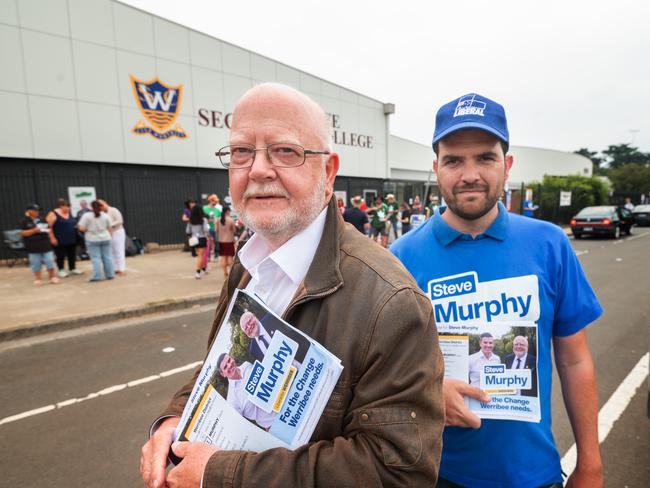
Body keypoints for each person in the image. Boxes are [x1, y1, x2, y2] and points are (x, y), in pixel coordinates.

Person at [140, 83, 444, 488]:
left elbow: (397, 472)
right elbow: (220, 370)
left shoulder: (391, 301)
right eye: (242, 151)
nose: (259, 169)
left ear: (328, 171)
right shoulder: (246, 267)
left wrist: (221, 475)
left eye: (286, 151)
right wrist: (174, 419)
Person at [391, 92, 603, 487]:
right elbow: (381, 371)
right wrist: (429, 389)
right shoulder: (400, 257)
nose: (469, 173)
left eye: (485, 157)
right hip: (434, 474)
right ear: (436, 168)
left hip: (530, 474)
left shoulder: (549, 244)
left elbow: (575, 360)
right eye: (454, 160)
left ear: (506, 165)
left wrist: (590, 464)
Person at [217, 353, 277, 429]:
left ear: (232, 358)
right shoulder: (231, 400)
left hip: (287, 403)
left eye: (229, 360)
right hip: (273, 425)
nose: (229, 365)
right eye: (225, 367)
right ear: (223, 374)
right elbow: (241, 426)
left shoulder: (247, 366)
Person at [20, 203, 59, 285]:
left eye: (38, 210)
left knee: (50, 261)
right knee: (35, 263)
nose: (37, 212)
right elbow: (22, 233)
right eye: (35, 210)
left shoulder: (42, 219)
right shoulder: (24, 221)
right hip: (32, 246)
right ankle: (38, 279)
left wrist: (51, 237)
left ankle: (52, 277)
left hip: (45, 244)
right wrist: (34, 230)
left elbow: (49, 229)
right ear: (29, 211)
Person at [78, 200, 114, 282]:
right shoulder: (106, 216)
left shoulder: (86, 216)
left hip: (92, 239)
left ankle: (97, 276)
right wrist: (109, 236)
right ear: (101, 206)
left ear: (91, 207)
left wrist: (88, 229)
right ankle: (110, 274)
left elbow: (81, 228)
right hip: (106, 238)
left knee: (96, 258)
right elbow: (110, 228)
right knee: (107, 257)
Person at [46, 198, 83, 278]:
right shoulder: (53, 214)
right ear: (61, 206)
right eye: (66, 207)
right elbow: (49, 228)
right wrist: (52, 238)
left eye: (69, 207)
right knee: (60, 255)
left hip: (71, 238)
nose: (68, 209)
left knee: (72, 254)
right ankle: (61, 270)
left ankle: (72, 268)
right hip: (59, 239)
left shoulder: (69, 213)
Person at [99, 200, 126, 276]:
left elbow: (120, 220)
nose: (101, 207)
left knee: (119, 250)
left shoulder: (113, 210)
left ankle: (121, 269)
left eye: (102, 205)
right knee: (111, 251)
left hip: (117, 231)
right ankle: (115, 268)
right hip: (108, 233)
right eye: (100, 206)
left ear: (105, 203)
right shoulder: (101, 213)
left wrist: (110, 225)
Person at [186, 204, 209, 279]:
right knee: (201, 256)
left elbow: (187, 231)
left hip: (193, 240)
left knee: (199, 255)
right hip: (201, 239)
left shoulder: (190, 220)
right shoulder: (203, 220)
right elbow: (206, 230)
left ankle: (203, 269)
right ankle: (198, 272)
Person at [216, 206, 237, 278]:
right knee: (230, 257)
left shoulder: (218, 220)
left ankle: (225, 273)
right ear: (228, 211)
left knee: (223, 257)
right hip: (229, 241)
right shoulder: (231, 220)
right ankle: (230, 274)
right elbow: (234, 230)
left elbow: (216, 230)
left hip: (221, 241)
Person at [203, 194, 222, 260]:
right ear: (210, 201)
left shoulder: (217, 210)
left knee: (216, 241)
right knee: (208, 242)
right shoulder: (204, 208)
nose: (216, 203)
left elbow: (220, 219)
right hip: (206, 229)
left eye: (216, 201)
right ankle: (207, 256)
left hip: (215, 228)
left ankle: (216, 255)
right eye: (215, 201)